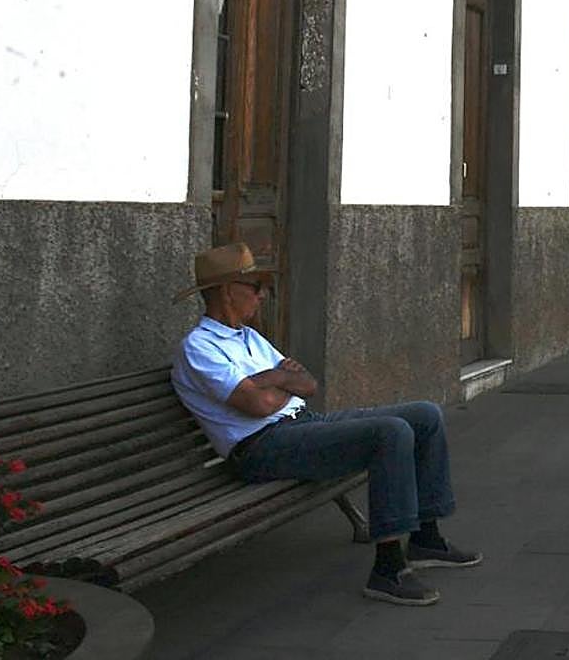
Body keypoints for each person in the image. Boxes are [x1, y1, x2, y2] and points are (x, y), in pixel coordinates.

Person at [171, 243, 480, 607]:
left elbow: (308, 384)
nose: (262, 294)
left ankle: (426, 537)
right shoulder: (199, 348)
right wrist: (276, 380)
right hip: (260, 447)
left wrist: (270, 383)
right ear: (227, 291)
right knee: (390, 433)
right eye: (254, 286)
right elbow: (256, 405)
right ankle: (387, 568)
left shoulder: (249, 338)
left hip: (302, 423)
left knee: (425, 415)